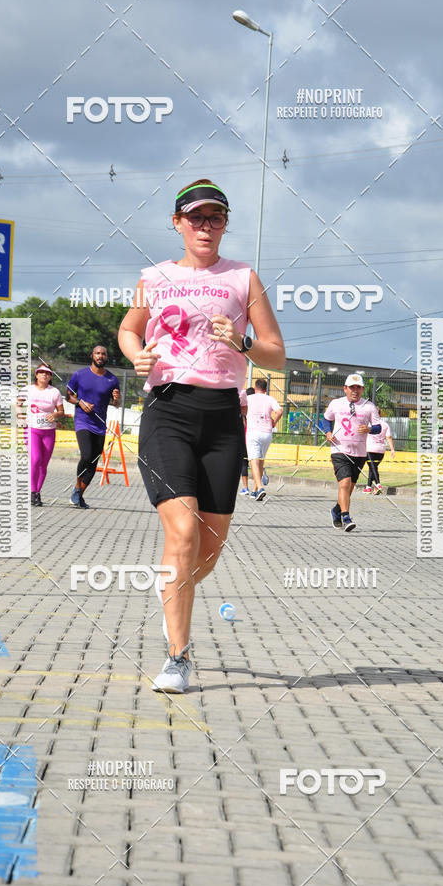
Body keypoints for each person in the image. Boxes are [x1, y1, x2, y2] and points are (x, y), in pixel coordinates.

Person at [118, 178, 285, 693]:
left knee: (207, 550)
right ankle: (178, 656)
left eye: (215, 218)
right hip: (167, 410)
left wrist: (242, 341)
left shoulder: (244, 278)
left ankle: (173, 592)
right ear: (178, 223)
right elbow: (128, 329)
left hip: (222, 418)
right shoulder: (155, 277)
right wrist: (136, 355)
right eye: (196, 217)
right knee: (183, 534)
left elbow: (278, 353)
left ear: (225, 224)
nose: (205, 226)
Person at [324, 373, 381, 532]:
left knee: (349, 488)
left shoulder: (369, 407)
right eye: (351, 387)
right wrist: (328, 432)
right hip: (339, 450)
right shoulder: (336, 403)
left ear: (362, 389)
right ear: (345, 388)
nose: (355, 390)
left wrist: (369, 429)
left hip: (360, 453)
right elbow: (326, 419)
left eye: (358, 387)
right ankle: (346, 517)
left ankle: (336, 510)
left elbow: (378, 427)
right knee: (345, 483)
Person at [66, 346, 120, 508]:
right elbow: (68, 396)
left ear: (106, 357)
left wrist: (116, 399)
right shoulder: (79, 375)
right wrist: (80, 403)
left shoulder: (112, 379)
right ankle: (77, 488)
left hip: (100, 425)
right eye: (97, 353)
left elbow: (116, 404)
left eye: (103, 354)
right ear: (92, 355)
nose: (100, 356)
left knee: (94, 462)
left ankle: (79, 495)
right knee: (86, 456)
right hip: (83, 421)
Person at [17, 365, 64, 506]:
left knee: (43, 464)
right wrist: (20, 417)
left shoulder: (54, 392)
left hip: (49, 431)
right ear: (36, 375)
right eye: (41, 372)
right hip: (32, 429)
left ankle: (37, 492)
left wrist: (55, 414)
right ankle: (32, 491)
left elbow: (61, 411)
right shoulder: (28, 389)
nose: (44, 375)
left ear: (50, 376)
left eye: (47, 373)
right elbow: (18, 404)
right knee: (35, 459)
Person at [245, 378, 282, 501]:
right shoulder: (270, 399)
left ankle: (260, 487)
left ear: (255, 388)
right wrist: (274, 422)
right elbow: (279, 411)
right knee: (260, 461)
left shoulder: (249, 398)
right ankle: (255, 490)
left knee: (254, 461)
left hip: (253, 432)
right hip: (266, 433)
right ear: (265, 389)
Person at [364, 407, 395, 495]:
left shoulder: (368, 424)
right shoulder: (385, 424)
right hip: (381, 450)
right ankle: (368, 487)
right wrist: (392, 449)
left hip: (369, 449)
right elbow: (388, 437)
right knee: (373, 467)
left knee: (373, 467)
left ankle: (378, 484)